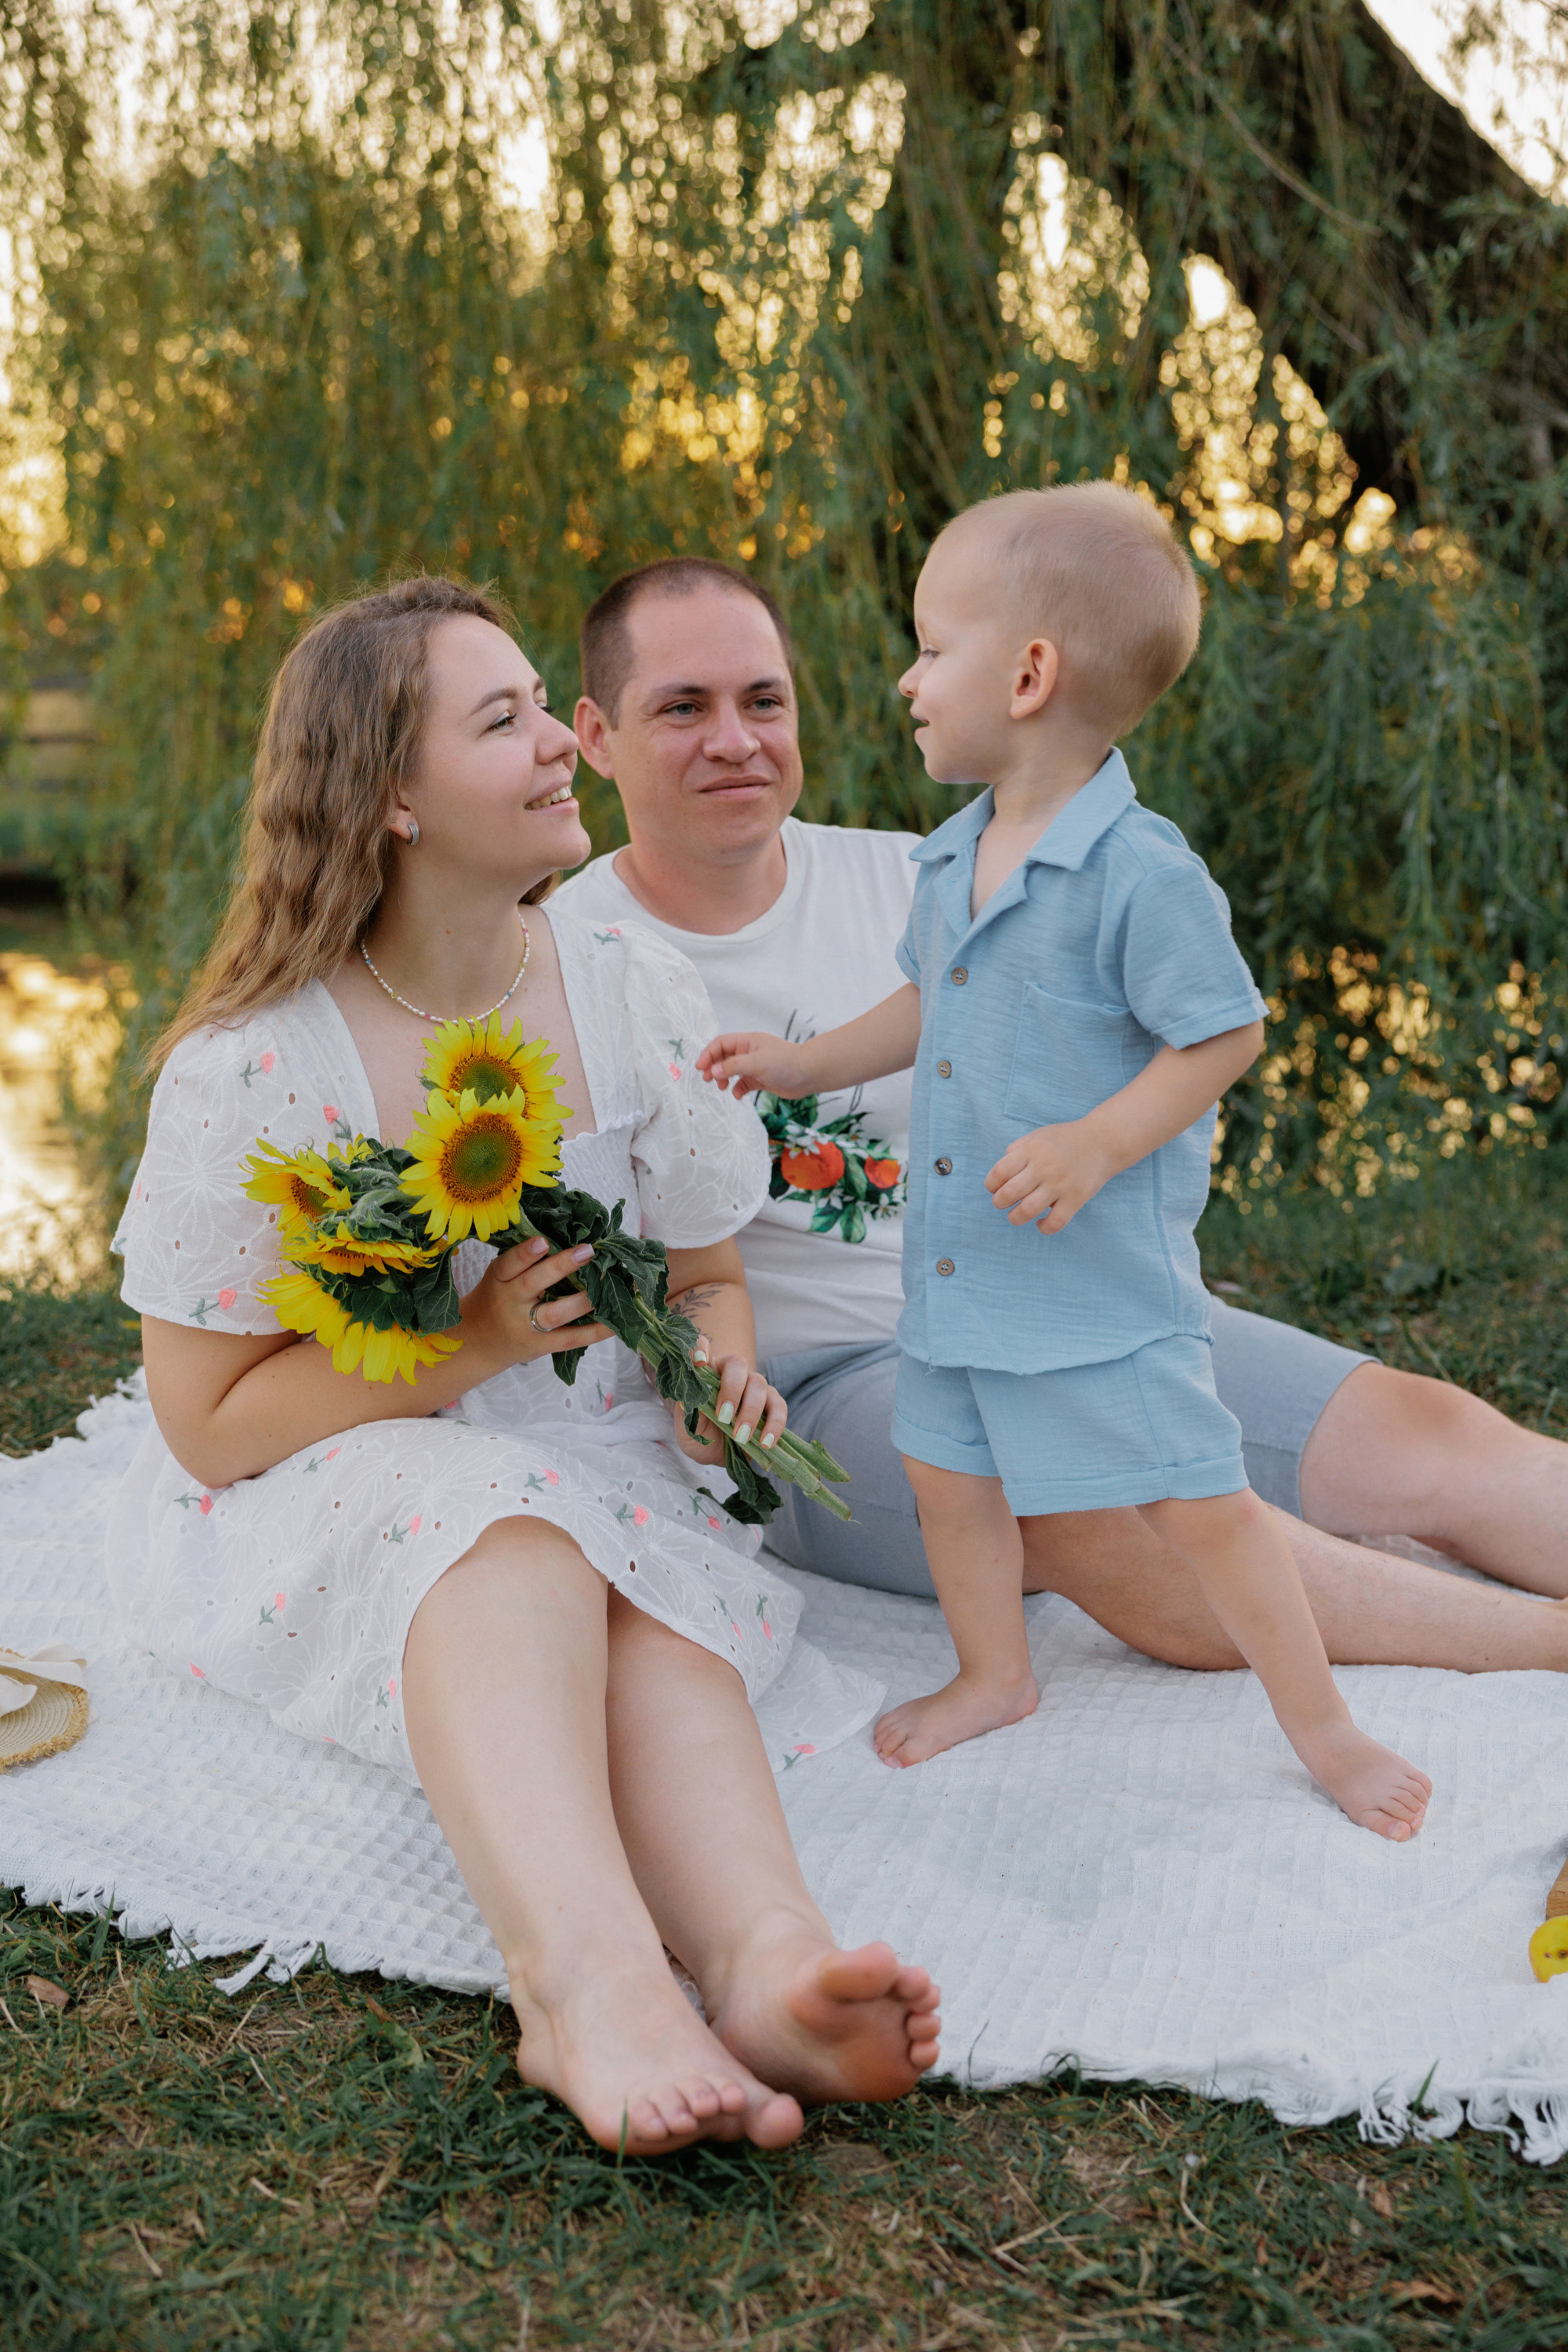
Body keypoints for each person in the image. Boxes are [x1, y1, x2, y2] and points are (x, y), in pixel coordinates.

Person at [107, 575, 940, 2159]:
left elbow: (698, 1270)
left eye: (546, 710)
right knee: (507, 1531)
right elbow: (209, 1427)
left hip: (595, 1453)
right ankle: (585, 1983)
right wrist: (473, 1342)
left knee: (660, 1611)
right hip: (338, 1472)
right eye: (507, 722)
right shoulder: (260, 1066)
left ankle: (769, 1959)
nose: (570, 741)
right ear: (395, 798)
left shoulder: (624, 994)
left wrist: (713, 1377)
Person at [555, 554, 1568, 1675]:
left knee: (1424, 1433)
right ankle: (1539, 1648)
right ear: (597, 735)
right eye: (682, 708)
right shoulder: (567, 967)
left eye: (764, 700)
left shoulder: (922, 879)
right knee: (1113, 1508)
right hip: (828, 1389)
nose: (737, 740)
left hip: (1061, 1310)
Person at [697, 485, 1432, 1838]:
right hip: (960, 1280)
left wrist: (1102, 1141)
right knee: (952, 1478)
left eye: (931, 648)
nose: (907, 680)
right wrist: (801, 1066)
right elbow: (925, 1008)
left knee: (1204, 1512)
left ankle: (1324, 1730)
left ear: (1029, 675)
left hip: (1097, 1289)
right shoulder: (953, 859)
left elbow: (1223, 1034)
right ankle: (996, 1674)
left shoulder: (1140, 874)